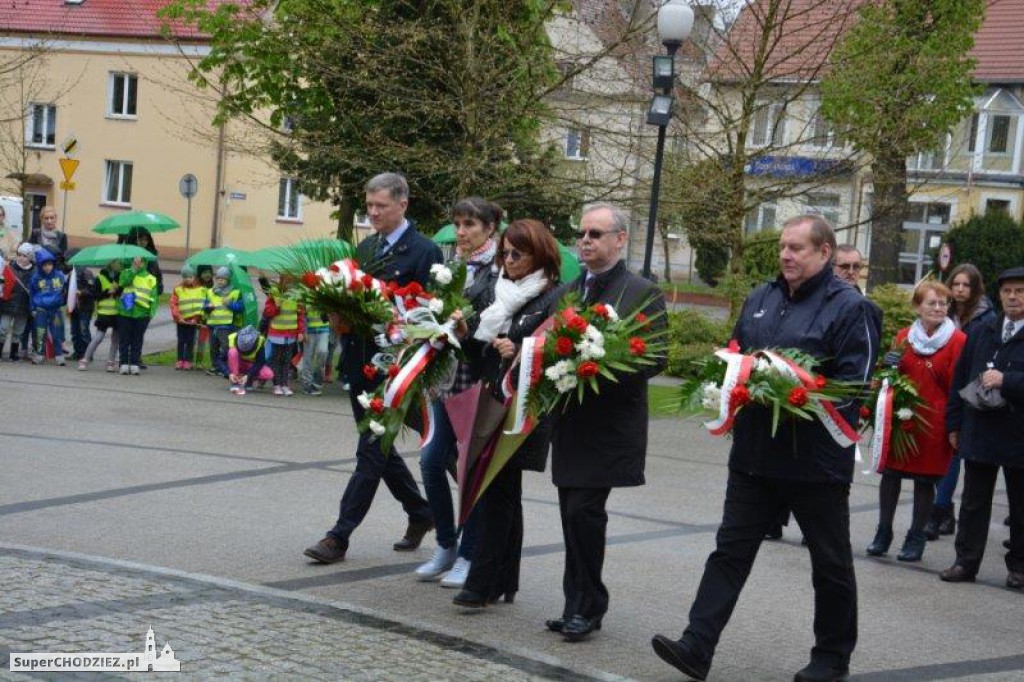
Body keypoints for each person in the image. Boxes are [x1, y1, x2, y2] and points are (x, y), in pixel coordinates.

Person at [652, 215, 878, 682]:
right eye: (783, 246)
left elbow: (855, 384)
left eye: (797, 248)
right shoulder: (761, 297)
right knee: (729, 552)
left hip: (815, 462)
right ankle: (697, 646)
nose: (786, 255)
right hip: (755, 457)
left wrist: (790, 387)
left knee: (829, 563)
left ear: (824, 253)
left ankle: (831, 658)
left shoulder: (849, 307)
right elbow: (736, 353)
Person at [543, 203, 667, 642]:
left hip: (610, 426)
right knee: (570, 515)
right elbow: (547, 345)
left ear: (620, 240)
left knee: (584, 513)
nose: (586, 241)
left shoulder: (640, 292)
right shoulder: (568, 292)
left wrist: (599, 367)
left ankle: (590, 606)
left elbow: (656, 355)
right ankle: (574, 603)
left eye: (596, 234)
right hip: (572, 425)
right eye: (583, 234)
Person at [303, 172, 439, 564]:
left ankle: (338, 536)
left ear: (403, 204)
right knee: (377, 448)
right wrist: (337, 314)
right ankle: (421, 511)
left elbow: (427, 314)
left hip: (396, 370)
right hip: (359, 363)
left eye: (381, 206)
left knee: (371, 450)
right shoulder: (366, 247)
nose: (373, 212)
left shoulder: (424, 251)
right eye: (369, 205)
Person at [450, 218, 560, 607]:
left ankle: (482, 582)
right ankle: (503, 579)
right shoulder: (500, 293)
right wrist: (465, 334)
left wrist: (519, 353)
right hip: (492, 402)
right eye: (505, 253)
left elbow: (555, 355)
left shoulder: (552, 297)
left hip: (523, 408)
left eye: (518, 253)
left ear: (538, 255)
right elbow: (479, 352)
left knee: (497, 493)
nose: (509, 260)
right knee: (502, 493)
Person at [413, 197, 500, 587]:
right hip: (444, 377)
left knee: (470, 470)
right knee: (432, 461)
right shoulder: (451, 267)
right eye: (458, 224)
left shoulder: (500, 269)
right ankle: (446, 544)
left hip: (476, 379)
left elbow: (496, 320)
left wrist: (467, 326)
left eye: (470, 225)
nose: (461, 232)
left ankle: (469, 552)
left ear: (489, 229)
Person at [866, 281, 965, 562]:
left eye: (943, 304)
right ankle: (883, 532)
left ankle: (916, 537)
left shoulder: (957, 341)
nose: (938, 308)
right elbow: (889, 374)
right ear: (917, 307)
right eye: (931, 303)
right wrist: (888, 367)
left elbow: (958, 383)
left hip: (935, 422)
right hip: (902, 417)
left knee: (925, 480)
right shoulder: (903, 336)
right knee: (891, 475)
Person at [941, 267, 1024, 590]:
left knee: (1020, 506)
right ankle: (965, 562)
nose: (1014, 297)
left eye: (1020, 291)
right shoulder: (984, 330)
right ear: (999, 295)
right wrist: (953, 423)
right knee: (974, 502)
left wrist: (1008, 380)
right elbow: (960, 379)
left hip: (1019, 434)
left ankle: (1019, 567)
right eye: (1008, 292)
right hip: (980, 429)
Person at [927, 263, 996, 539]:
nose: (959, 289)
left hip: (971, 390)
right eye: (956, 284)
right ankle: (945, 510)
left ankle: (939, 510)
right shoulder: (944, 312)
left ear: (975, 287)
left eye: (966, 285)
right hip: (943, 388)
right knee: (943, 452)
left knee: (954, 453)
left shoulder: (986, 317)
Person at [262, 274, 305, 396]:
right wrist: (277, 306)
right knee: (276, 360)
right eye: (287, 280)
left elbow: (300, 315)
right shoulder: (275, 292)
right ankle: (276, 384)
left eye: (292, 280)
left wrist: (301, 331)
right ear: (282, 280)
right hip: (276, 334)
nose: (289, 283)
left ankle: (285, 384)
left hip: (290, 334)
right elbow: (267, 312)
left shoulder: (297, 294)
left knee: (286, 361)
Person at [116, 256, 158, 375]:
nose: (138, 263)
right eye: (135, 260)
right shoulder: (126, 272)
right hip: (125, 311)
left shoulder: (151, 278)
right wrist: (133, 270)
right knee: (124, 339)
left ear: (145, 262)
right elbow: (123, 282)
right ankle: (123, 363)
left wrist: (151, 312)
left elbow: (154, 297)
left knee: (137, 339)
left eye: (140, 261)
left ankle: (134, 363)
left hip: (142, 313)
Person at [81, 259, 122, 372]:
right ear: (111, 263)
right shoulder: (100, 277)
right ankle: (85, 359)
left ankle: (110, 362)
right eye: (117, 262)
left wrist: (118, 291)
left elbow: (122, 293)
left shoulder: (120, 277)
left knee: (115, 339)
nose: (119, 264)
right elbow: (95, 295)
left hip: (117, 313)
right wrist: (106, 292)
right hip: (104, 313)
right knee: (98, 337)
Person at [28, 248, 67, 365]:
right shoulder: (36, 277)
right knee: (40, 333)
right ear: (40, 265)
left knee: (57, 333)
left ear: (53, 264)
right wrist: (32, 308)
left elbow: (65, 290)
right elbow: (32, 293)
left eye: (49, 264)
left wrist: (62, 301)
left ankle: (59, 355)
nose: (47, 267)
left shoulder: (60, 276)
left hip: (55, 310)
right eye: (44, 265)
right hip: (41, 310)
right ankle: (40, 355)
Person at [205, 266, 244, 378]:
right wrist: (208, 307)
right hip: (212, 324)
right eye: (218, 278)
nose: (220, 281)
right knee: (213, 347)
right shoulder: (211, 291)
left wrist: (230, 304)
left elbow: (240, 307)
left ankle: (225, 367)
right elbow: (205, 305)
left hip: (226, 325)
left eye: (223, 278)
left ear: (228, 280)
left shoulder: (234, 293)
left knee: (226, 347)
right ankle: (215, 367)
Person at [0, 243, 34, 361]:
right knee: (3, 328)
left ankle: (13, 353)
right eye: (19, 254)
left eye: (25, 255)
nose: (21, 257)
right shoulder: (9, 267)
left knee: (18, 331)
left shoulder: (34, 272)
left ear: (30, 257)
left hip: (24, 306)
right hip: (8, 304)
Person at [171, 265, 207, 370]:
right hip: (181, 320)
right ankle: (180, 359)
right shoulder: (178, 289)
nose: (187, 279)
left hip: (193, 320)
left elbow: (201, 305)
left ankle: (188, 360)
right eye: (185, 277)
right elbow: (174, 304)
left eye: (190, 277)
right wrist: (178, 317)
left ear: (194, 277)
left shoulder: (200, 290)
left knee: (191, 341)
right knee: (181, 341)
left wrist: (196, 318)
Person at [65, 252, 96, 363]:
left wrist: (81, 292)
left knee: (84, 331)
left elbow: (92, 290)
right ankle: (77, 352)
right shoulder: (71, 274)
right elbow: (67, 290)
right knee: (75, 331)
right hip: (74, 307)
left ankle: (87, 354)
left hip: (84, 307)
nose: (67, 263)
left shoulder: (86, 272)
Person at [227, 325, 274, 395]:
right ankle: (235, 382)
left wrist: (248, 376)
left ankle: (248, 381)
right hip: (238, 363)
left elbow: (260, 362)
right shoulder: (232, 338)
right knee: (232, 352)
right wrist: (229, 373)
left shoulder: (260, 341)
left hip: (251, 365)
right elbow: (220, 359)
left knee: (268, 374)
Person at [299, 300, 331, 396]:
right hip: (309, 330)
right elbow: (301, 313)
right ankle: (307, 384)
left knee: (323, 353)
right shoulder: (305, 292)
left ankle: (317, 384)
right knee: (308, 357)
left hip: (324, 329)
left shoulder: (324, 291)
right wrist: (303, 330)